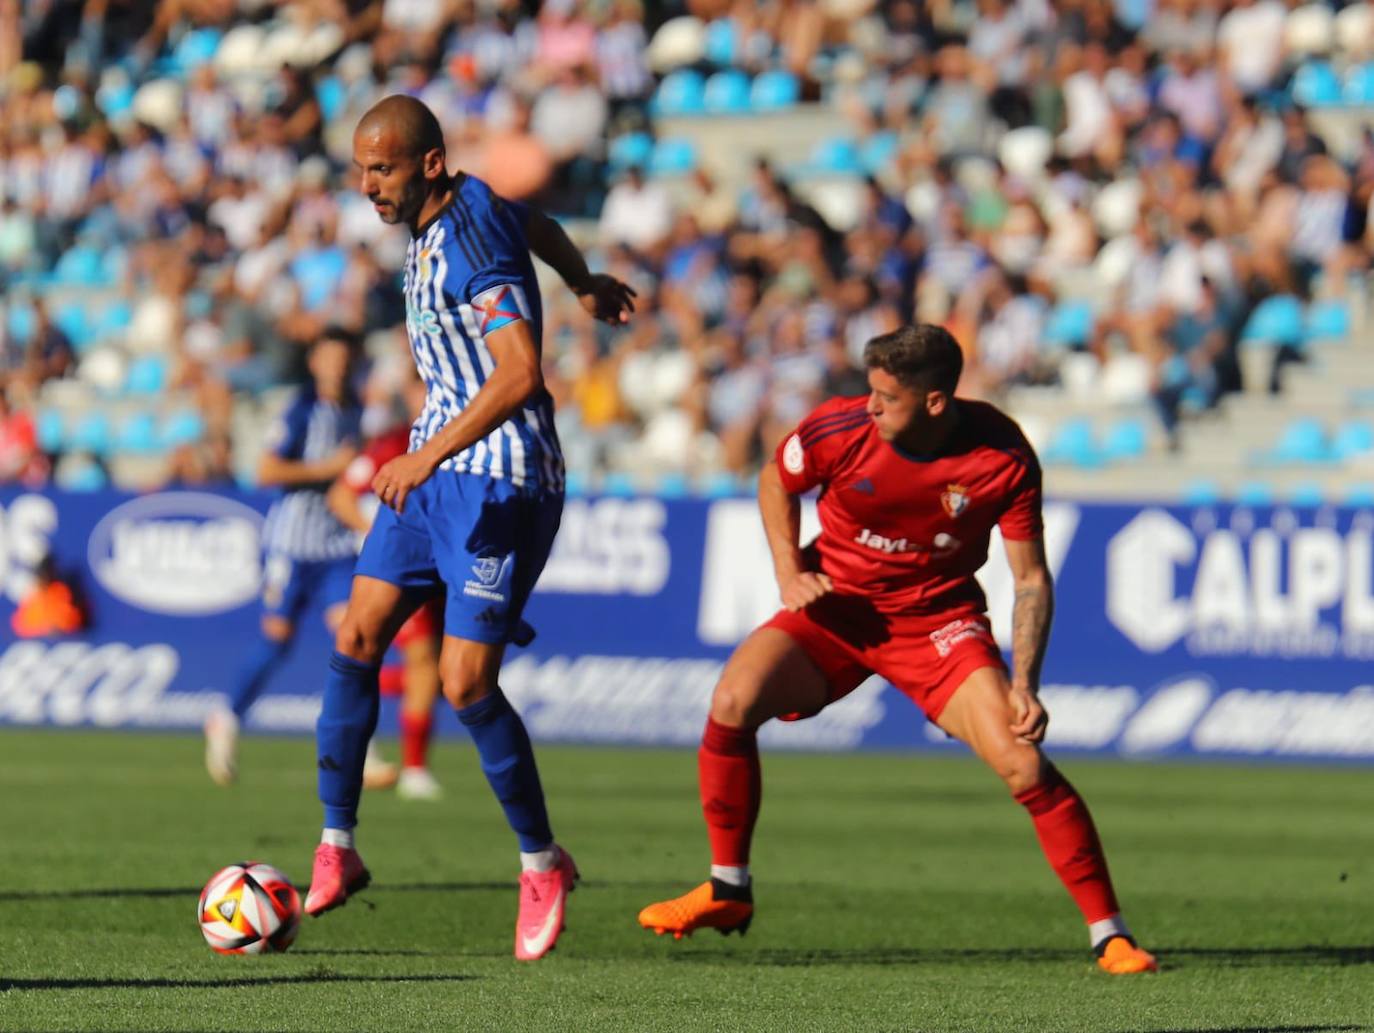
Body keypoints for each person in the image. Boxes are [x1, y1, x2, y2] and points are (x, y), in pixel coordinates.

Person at [637, 324, 1158, 976]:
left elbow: (1029, 578)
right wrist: (787, 571)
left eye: (887, 395)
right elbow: (775, 478)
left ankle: (1110, 935)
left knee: (1024, 764)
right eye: (870, 389)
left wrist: (1026, 681)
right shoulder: (840, 427)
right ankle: (727, 887)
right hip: (836, 611)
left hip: (935, 625)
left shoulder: (1002, 457)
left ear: (935, 401)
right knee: (733, 699)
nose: (871, 405)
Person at [304, 94, 636, 961]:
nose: (366, 185)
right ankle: (338, 845)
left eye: (381, 169)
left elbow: (521, 372)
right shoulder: (472, 203)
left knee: (465, 684)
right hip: (438, 465)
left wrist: (424, 454)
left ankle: (541, 861)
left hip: (504, 478)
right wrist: (584, 280)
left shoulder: (468, 239)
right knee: (359, 633)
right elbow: (540, 219)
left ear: (428, 164)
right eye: (359, 168)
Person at [204, 330, 382, 786]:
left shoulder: (356, 409)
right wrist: (329, 469)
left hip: (337, 546)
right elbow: (266, 470)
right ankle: (227, 716)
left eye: (345, 358)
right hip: (292, 545)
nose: (338, 367)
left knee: (353, 639)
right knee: (278, 639)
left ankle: (360, 745)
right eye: (330, 358)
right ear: (315, 362)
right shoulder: (301, 410)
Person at [326, 373, 445, 802]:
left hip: (443, 568)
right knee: (423, 660)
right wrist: (380, 532)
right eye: (421, 389)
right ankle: (413, 769)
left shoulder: (464, 440)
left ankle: (360, 702)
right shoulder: (393, 443)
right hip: (397, 567)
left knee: (444, 669)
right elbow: (341, 495)